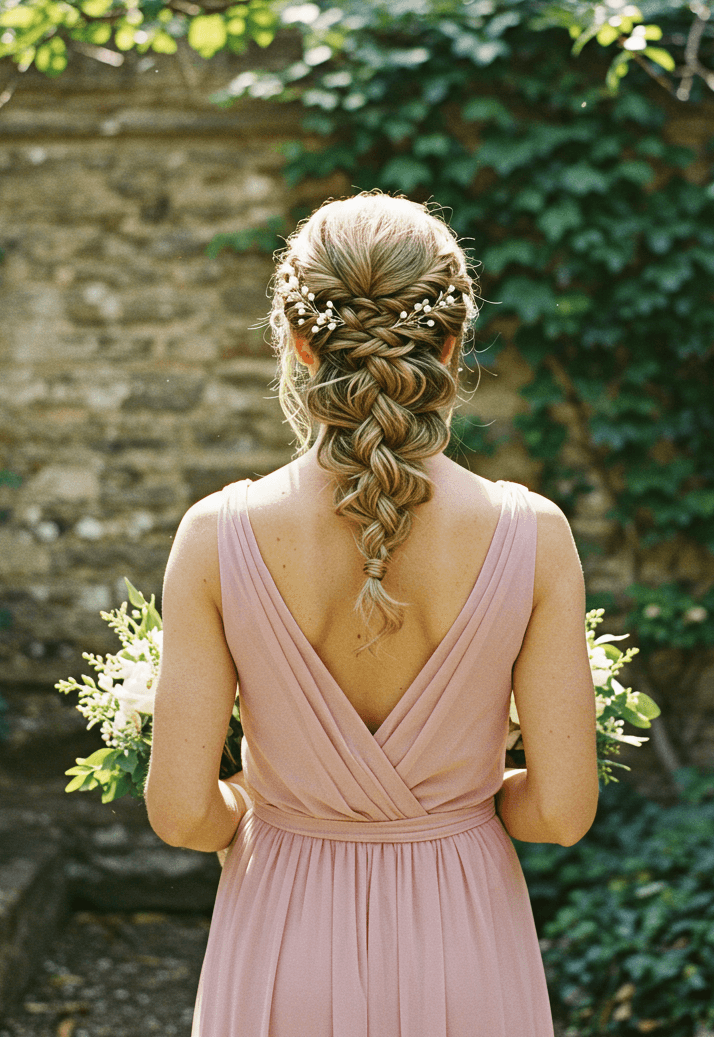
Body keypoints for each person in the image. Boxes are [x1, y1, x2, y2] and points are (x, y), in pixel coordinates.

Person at [145, 192, 598, 1037]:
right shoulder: (534, 535)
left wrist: (250, 808)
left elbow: (179, 813)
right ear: (454, 342)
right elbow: (563, 812)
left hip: (280, 924)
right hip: (464, 933)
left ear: (299, 340)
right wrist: (463, 805)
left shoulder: (215, 535)